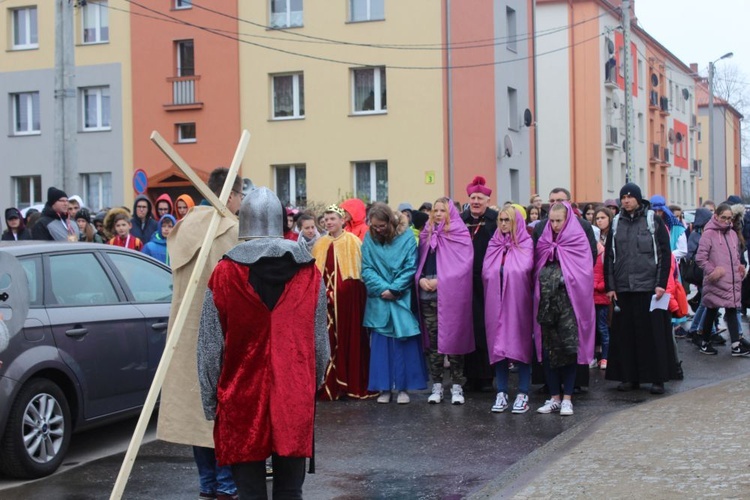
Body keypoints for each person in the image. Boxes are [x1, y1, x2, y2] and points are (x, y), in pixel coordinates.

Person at [197, 187, 329, 500]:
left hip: (240, 394)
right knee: (289, 491)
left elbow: (209, 348)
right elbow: (320, 342)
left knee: (250, 493)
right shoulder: (310, 274)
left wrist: (210, 398)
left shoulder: (225, 273)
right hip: (294, 392)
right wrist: (314, 383)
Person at [156, 168, 243, 500]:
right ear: (231, 195)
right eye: (239, 197)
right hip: (223, 327)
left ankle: (208, 481)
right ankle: (225, 480)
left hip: (188, 327)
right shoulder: (232, 229)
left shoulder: (187, 225)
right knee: (224, 405)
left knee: (197, 404)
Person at [604, 183, 678, 395]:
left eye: (629, 196)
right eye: (623, 197)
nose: (626, 200)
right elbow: (609, 256)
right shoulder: (617, 222)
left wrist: (661, 284)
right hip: (624, 288)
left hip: (649, 288)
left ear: (638, 198)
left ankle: (657, 378)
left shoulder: (652, 220)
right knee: (625, 336)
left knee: (653, 336)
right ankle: (629, 378)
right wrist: (610, 286)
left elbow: (665, 254)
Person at [361, 203, 427, 404]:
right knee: (381, 347)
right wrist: (383, 289)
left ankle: (403, 388)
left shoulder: (407, 237)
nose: (378, 230)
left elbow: (410, 266)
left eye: (381, 226)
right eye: (374, 226)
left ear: (390, 222)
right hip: (380, 298)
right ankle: (383, 388)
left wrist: (395, 289)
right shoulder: (369, 237)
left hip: (400, 297)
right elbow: (366, 267)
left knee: (402, 344)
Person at [533, 202, 595, 415]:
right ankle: (554, 397)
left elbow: (584, 271)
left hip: (570, 303)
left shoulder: (577, 239)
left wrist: (563, 278)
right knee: (549, 350)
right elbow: (537, 264)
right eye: (551, 221)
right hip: (547, 302)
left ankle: (568, 397)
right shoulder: (544, 239)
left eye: (559, 220)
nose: (555, 225)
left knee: (568, 349)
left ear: (567, 219)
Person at [311, 205, 374, 400]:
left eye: (332, 219)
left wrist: (339, 294)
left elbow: (356, 278)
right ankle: (329, 384)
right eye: (326, 220)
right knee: (327, 341)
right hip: (326, 304)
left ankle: (349, 382)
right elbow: (314, 276)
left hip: (346, 304)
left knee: (349, 339)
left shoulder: (353, 242)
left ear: (342, 220)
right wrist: (324, 295)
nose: (329, 222)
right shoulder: (320, 244)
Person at [417, 197, 474, 405]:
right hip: (428, 295)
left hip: (451, 296)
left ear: (450, 212)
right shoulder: (426, 233)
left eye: (442, 210)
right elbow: (420, 260)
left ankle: (457, 385)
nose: (438, 214)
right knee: (433, 343)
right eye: (435, 210)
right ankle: (438, 385)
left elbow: (464, 265)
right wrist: (421, 278)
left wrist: (443, 281)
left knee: (454, 340)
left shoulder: (459, 233)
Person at [482, 206, 534, 414]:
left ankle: (523, 392)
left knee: (520, 344)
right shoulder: (493, 244)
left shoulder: (526, 244)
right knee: (498, 344)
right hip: (495, 302)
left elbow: (526, 269)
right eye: (501, 220)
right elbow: (487, 271)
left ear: (516, 222)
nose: (503, 224)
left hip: (518, 302)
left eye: (507, 220)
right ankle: (501, 391)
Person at [694, 203, 750, 357]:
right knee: (711, 310)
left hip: (731, 280)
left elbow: (735, 256)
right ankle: (704, 342)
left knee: (732, 309)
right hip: (716, 280)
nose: (726, 221)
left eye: (729, 218)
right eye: (723, 217)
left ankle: (736, 345)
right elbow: (700, 258)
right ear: (716, 216)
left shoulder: (732, 234)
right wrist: (713, 271)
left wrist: (739, 267)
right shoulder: (708, 234)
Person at [461, 176, 498, 392]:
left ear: (487, 200)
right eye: (473, 197)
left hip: (487, 281)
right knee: (468, 327)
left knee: (486, 327)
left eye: (480, 198)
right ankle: (470, 376)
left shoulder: (495, 220)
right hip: (465, 281)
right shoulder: (461, 219)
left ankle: (487, 376)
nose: (476, 201)